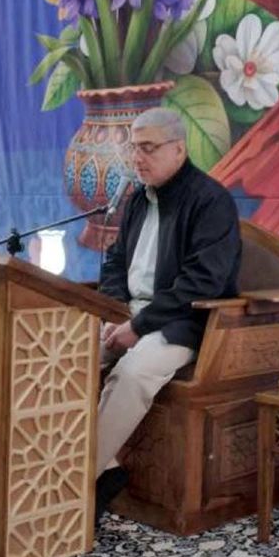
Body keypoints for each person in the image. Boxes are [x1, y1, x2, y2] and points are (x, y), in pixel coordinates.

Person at [93, 107, 241, 525]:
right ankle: (106, 470)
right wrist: (115, 312)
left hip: (183, 323)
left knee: (132, 374)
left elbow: (202, 283)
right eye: (134, 148)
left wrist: (139, 326)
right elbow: (115, 263)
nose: (137, 158)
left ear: (179, 149)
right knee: (64, 360)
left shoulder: (211, 201)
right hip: (130, 316)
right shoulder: (138, 199)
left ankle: (74, 481)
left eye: (148, 148)